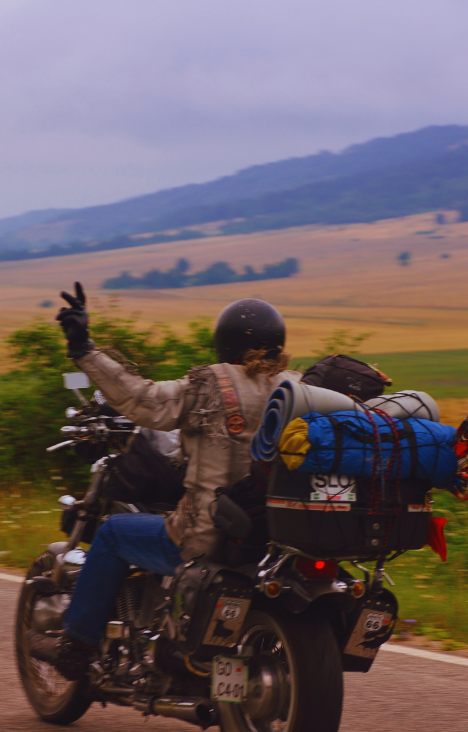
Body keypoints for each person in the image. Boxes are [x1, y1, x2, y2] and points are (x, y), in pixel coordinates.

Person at [26, 284, 299, 678]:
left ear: (224, 344)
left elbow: (142, 400)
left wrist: (84, 348)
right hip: (276, 539)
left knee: (114, 533)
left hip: (207, 536)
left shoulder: (210, 385)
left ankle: (77, 643)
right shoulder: (298, 389)